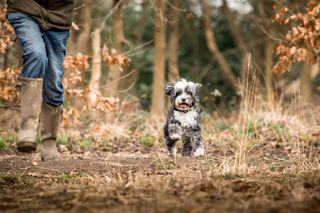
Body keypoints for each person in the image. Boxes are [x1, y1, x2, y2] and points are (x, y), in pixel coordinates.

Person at [6, 0, 74, 161]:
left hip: (59, 15)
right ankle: (28, 129)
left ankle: (49, 141)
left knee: (54, 79)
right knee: (36, 54)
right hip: (25, 8)